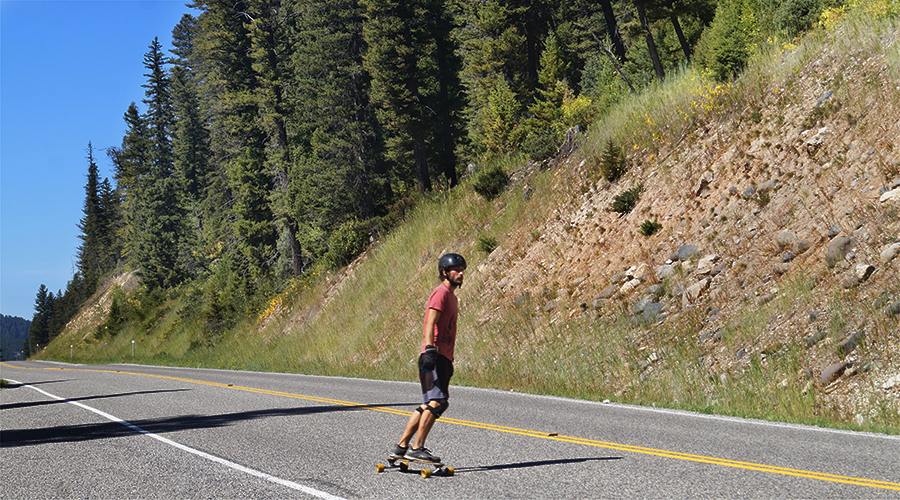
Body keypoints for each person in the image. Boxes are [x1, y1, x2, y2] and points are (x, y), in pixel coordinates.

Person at [389, 253, 466, 463]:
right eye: (456, 270)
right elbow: (430, 322)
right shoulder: (440, 293)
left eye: (462, 270)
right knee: (438, 402)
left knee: (428, 404)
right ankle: (417, 447)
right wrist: (431, 350)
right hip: (434, 355)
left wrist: (448, 359)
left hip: (442, 356)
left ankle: (401, 447)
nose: (460, 273)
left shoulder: (452, 297)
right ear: (444, 272)